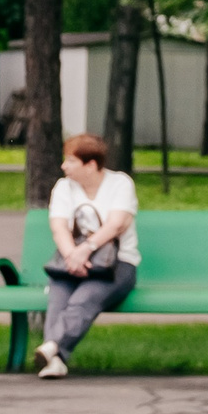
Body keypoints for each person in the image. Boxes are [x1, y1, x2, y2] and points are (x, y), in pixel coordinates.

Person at [34, 134, 138, 380]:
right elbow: (59, 227)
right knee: (58, 302)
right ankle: (56, 360)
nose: (64, 166)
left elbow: (116, 225)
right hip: (71, 262)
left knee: (83, 300)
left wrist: (86, 249)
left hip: (116, 266)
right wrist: (72, 256)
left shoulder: (120, 184)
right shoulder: (64, 187)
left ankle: (52, 345)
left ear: (91, 165)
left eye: (71, 160)